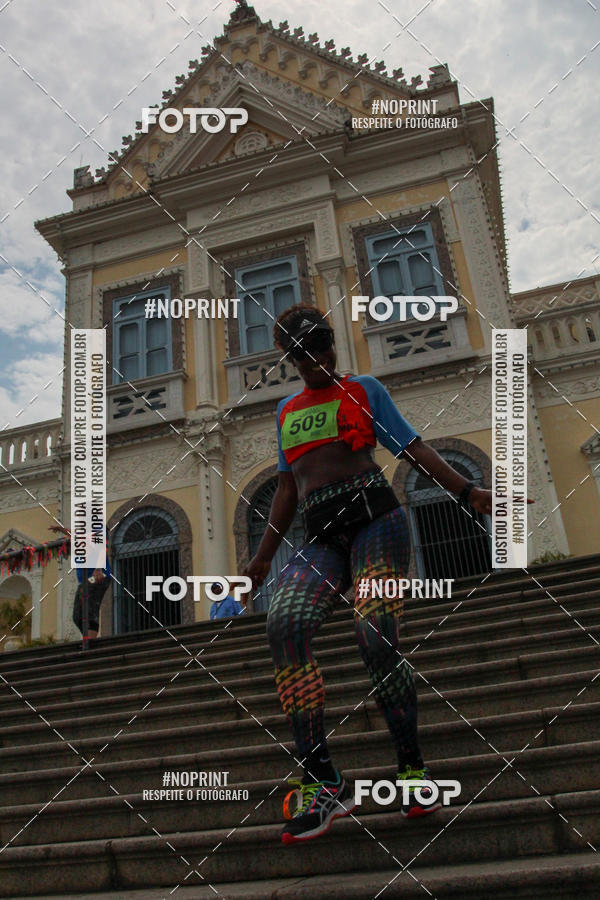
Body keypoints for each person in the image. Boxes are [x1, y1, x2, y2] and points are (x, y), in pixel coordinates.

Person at [243, 304, 492, 845]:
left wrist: (466, 492)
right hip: (321, 540)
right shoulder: (287, 411)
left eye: (321, 347)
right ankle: (324, 781)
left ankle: (411, 771)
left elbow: (412, 445)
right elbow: (287, 488)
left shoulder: (365, 389)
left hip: (378, 522)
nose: (314, 360)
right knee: (283, 625)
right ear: (289, 359)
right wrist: (263, 557)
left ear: (333, 344)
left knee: (374, 634)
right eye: (300, 354)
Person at [49, 525, 112, 641]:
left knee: (90, 609)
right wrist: (61, 529)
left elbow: (102, 548)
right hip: (84, 580)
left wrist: (98, 569)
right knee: (77, 615)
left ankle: (89, 641)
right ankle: (87, 639)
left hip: (97, 576)